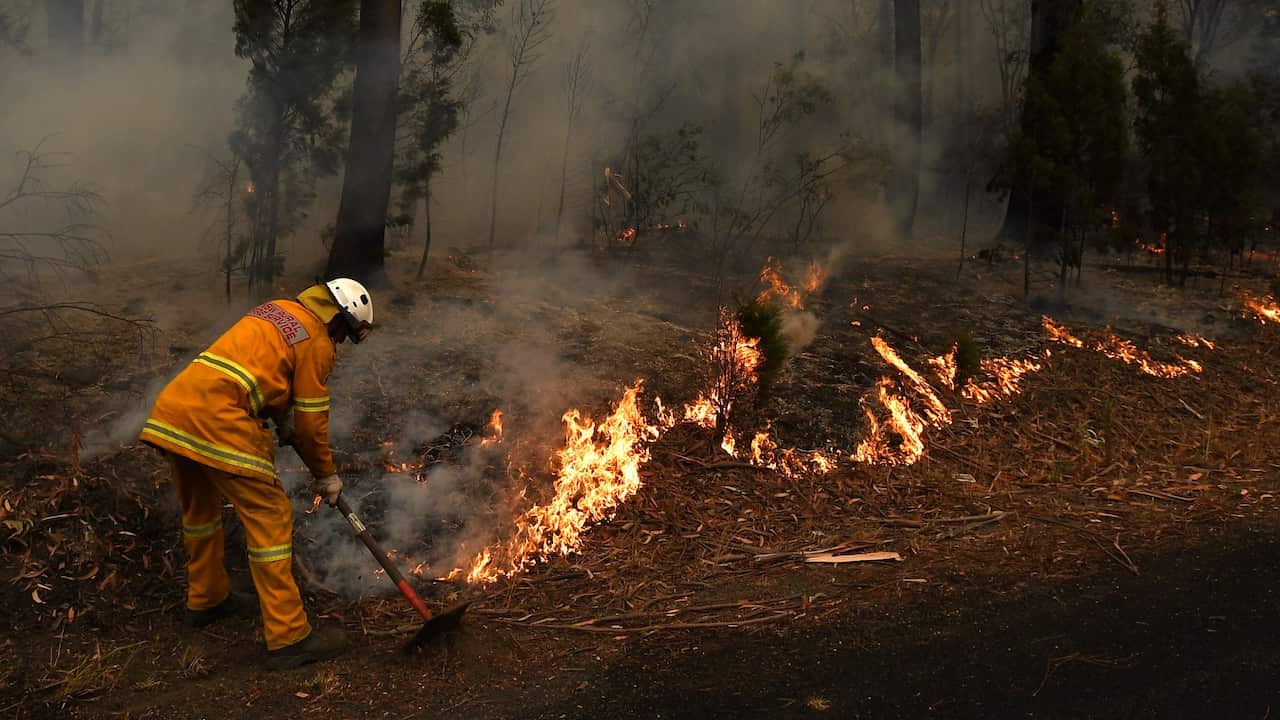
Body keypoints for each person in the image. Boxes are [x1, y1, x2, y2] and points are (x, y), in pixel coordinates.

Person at [139, 279, 373, 670]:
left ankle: (207, 599)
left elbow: (260, 368)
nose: (340, 344)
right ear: (337, 317)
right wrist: (326, 475)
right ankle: (289, 637)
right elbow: (313, 424)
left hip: (176, 410)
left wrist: (280, 414)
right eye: (344, 335)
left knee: (200, 513)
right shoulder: (316, 338)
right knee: (270, 517)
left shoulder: (278, 309)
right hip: (220, 419)